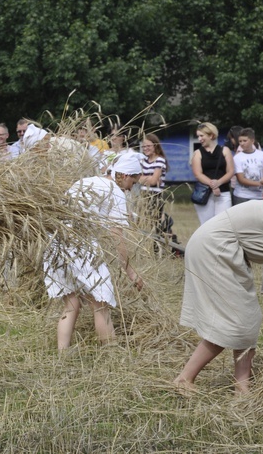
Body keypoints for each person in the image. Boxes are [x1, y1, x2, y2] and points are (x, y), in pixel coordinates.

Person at [174, 200, 263, 395]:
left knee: (247, 319)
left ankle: (242, 389)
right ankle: (184, 379)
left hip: (226, 252)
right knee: (233, 321)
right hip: (215, 248)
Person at [45, 152, 144, 350]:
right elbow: (117, 235)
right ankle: (112, 357)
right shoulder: (115, 191)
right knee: (100, 304)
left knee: (71, 304)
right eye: (134, 180)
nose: (133, 187)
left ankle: (61, 355)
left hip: (56, 243)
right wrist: (129, 270)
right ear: (124, 176)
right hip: (80, 248)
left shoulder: (88, 181)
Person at [191, 122, 235, 225]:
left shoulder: (225, 150)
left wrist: (219, 183)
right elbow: (198, 174)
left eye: (202, 136)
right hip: (204, 194)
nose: (199, 139)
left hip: (223, 193)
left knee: (224, 224)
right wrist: (213, 186)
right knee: (207, 225)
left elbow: (230, 171)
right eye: (198, 136)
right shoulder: (197, 153)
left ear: (211, 135)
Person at [138, 134, 170, 234]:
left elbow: (153, 182)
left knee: (155, 224)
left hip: (155, 196)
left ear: (155, 146)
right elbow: (138, 179)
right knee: (142, 222)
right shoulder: (143, 161)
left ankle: (156, 247)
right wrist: (150, 178)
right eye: (144, 146)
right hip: (143, 194)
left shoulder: (160, 160)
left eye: (148, 146)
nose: (145, 148)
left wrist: (145, 179)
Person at [232, 128, 263, 205]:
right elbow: (241, 179)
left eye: (245, 141)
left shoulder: (262, 155)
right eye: (240, 141)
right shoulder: (237, 157)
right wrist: (260, 184)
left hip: (258, 196)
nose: (242, 143)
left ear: (252, 141)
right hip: (242, 196)